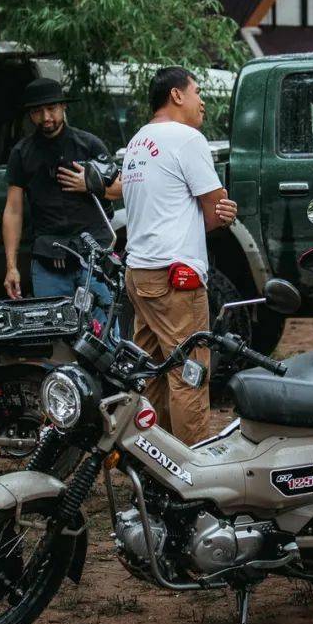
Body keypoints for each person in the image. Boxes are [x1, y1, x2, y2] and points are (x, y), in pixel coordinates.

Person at [121, 66, 238, 445]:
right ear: (176, 94)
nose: (202, 101)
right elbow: (216, 208)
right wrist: (224, 213)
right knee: (190, 373)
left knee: (152, 371)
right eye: (197, 92)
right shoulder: (187, 138)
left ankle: (153, 458)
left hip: (140, 273)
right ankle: (193, 466)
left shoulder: (138, 141)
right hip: (176, 278)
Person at [2, 78, 118, 325]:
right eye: (37, 111)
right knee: (54, 334)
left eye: (52, 108)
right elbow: (13, 210)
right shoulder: (22, 153)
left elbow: (122, 189)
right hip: (48, 260)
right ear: (30, 114)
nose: (46, 117)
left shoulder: (88, 144)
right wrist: (11, 266)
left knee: (104, 331)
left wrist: (91, 184)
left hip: (93, 255)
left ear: (63, 106)